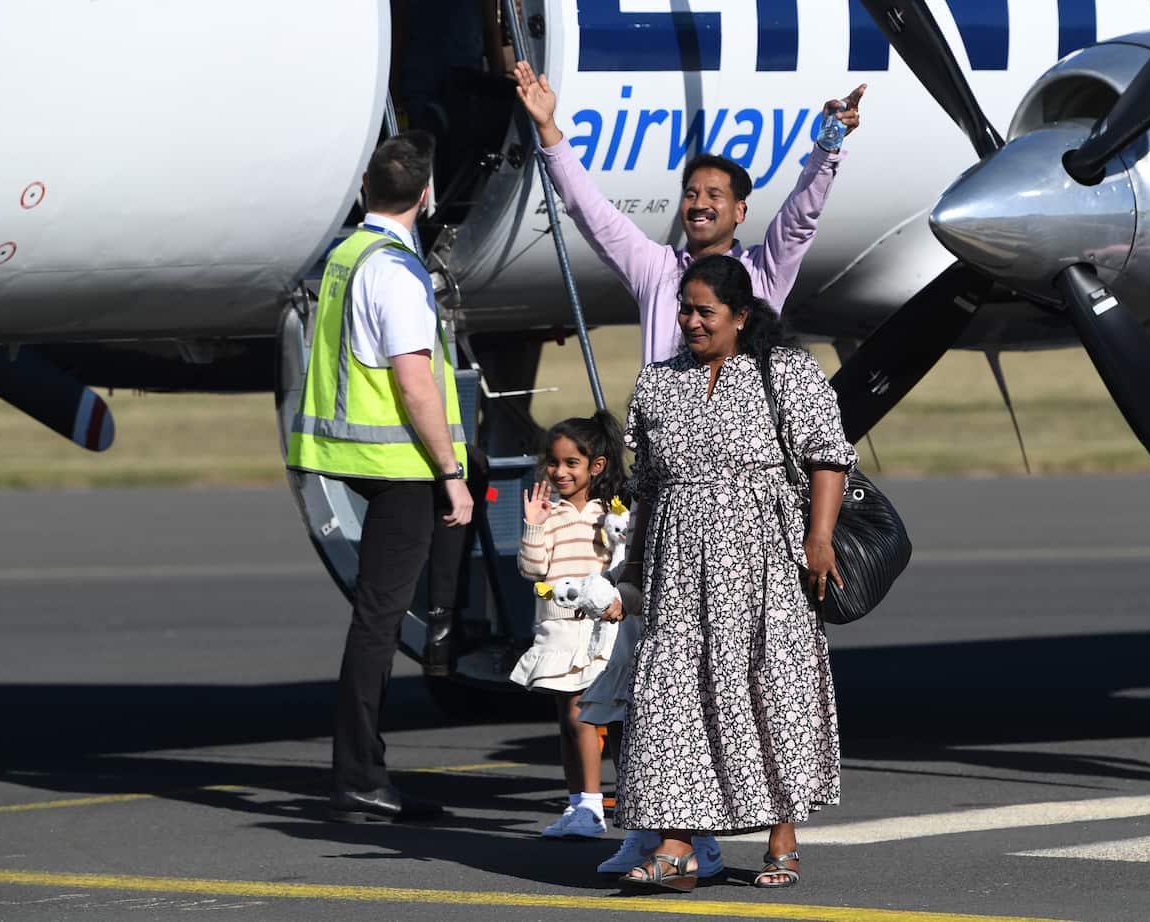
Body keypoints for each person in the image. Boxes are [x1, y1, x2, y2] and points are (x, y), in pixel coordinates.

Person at [609, 254, 856, 893]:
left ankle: (782, 837)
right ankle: (676, 846)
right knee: (672, 698)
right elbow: (647, 488)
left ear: (741, 317)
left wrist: (819, 538)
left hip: (763, 560)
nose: (690, 321)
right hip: (678, 571)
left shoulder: (788, 374)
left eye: (704, 312)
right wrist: (633, 570)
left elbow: (828, 457)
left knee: (767, 689)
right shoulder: (658, 383)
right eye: (684, 310)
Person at [286, 131, 474, 822]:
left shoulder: (346, 254)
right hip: (398, 462)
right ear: (425, 198)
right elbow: (415, 382)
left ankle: (448, 643)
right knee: (378, 621)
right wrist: (450, 473)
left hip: (348, 453)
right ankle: (360, 774)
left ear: (367, 190)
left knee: (375, 615)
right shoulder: (396, 271)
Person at [513, 60, 864, 365]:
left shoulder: (761, 272)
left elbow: (799, 219)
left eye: (714, 195)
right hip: (667, 441)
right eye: (691, 194)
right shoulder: (655, 268)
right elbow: (590, 211)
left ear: (740, 210)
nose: (699, 204)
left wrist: (827, 146)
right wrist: (548, 129)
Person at [511, 412, 627, 839]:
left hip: (593, 631)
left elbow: (619, 566)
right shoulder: (551, 514)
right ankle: (577, 802)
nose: (559, 472)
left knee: (584, 716)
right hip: (556, 630)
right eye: (553, 463)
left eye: (570, 463)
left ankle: (595, 807)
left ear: (595, 466)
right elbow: (532, 569)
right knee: (567, 718)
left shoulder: (608, 513)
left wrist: (618, 530)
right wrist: (533, 526)